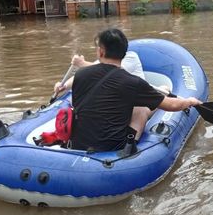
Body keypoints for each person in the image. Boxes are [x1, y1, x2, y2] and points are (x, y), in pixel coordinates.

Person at [55, 28, 201, 152]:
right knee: (141, 108)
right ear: (124, 54)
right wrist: (189, 101)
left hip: (77, 145)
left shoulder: (81, 74)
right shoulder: (133, 82)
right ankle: (131, 148)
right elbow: (172, 105)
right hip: (111, 147)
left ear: (100, 52)